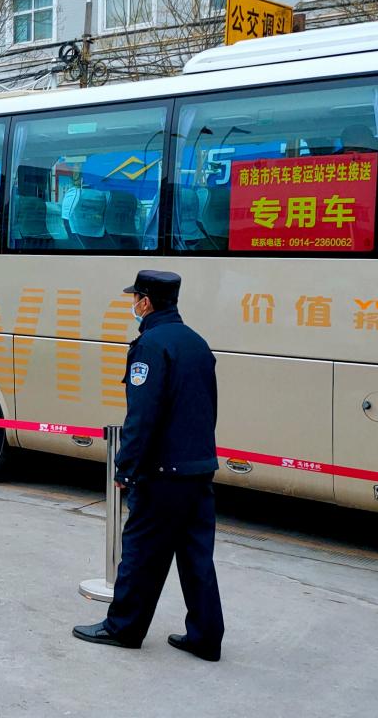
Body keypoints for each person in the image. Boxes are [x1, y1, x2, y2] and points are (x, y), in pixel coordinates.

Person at [72, 270, 224, 662]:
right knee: (196, 557)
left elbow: (142, 417)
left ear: (146, 302)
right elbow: (207, 408)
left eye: (135, 298)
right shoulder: (197, 343)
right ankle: (206, 637)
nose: (133, 305)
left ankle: (122, 628)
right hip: (198, 468)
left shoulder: (151, 346)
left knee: (140, 552)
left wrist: (125, 469)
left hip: (162, 473)